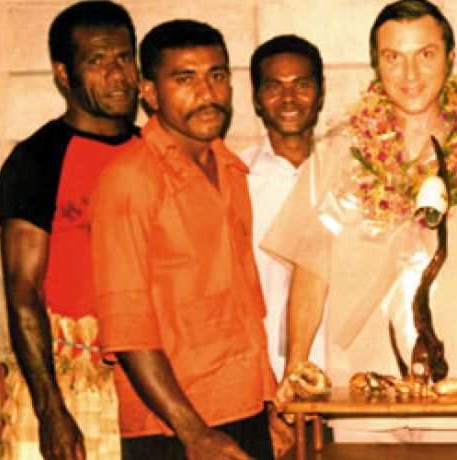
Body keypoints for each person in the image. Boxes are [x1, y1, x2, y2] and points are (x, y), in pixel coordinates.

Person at [264, 0, 457, 443]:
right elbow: (311, 267)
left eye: (425, 55)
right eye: (393, 58)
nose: (410, 73)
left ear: (450, 58)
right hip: (361, 394)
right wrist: (297, 364)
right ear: (375, 65)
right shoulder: (339, 152)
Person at [90, 20, 274, 460]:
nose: (207, 92)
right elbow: (127, 327)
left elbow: (244, 308)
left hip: (244, 408)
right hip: (172, 429)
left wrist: (267, 406)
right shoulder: (129, 179)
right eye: (184, 79)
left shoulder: (230, 171)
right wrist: (194, 433)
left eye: (217, 74)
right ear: (150, 93)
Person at [0, 2, 138, 458]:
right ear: (63, 74)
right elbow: (23, 292)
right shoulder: (37, 160)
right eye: (97, 61)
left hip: (145, 384)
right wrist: (50, 410)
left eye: (124, 57)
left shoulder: (153, 152)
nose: (117, 75)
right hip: (68, 383)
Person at [243, 34, 326, 381]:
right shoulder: (237, 177)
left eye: (301, 85)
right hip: (263, 375)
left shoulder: (350, 174)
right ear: (258, 99)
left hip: (340, 371)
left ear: (320, 94)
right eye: (274, 86)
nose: (289, 98)